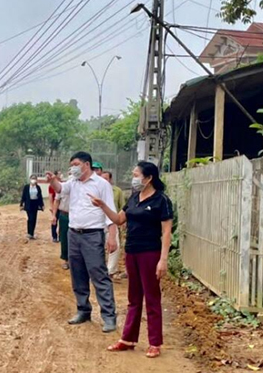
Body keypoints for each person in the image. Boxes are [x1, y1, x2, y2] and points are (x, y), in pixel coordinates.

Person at [89, 161, 173, 358]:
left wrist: (163, 259)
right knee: (133, 298)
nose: (134, 178)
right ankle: (128, 339)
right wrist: (103, 206)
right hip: (132, 252)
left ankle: (154, 342)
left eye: (136, 175)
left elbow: (167, 231)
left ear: (149, 178)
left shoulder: (161, 200)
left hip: (150, 253)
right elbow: (119, 220)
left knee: (152, 298)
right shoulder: (134, 198)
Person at [47, 151, 118, 333]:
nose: (73, 168)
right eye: (71, 165)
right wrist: (53, 180)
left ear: (87, 165)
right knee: (77, 274)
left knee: (98, 275)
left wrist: (111, 237)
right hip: (73, 234)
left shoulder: (101, 184)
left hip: (93, 235)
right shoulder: (73, 183)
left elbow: (110, 211)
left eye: (76, 164)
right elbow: (60, 189)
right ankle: (83, 310)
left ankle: (109, 316)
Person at [102, 171, 126, 280]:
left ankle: (110, 271)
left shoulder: (117, 191)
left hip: (113, 222)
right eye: (102, 178)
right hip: (99, 222)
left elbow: (122, 207)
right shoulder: (95, 189)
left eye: (106, 178)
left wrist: (123, 221)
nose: (104, 180)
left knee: (114, 247)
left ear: (110, 180)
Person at [52, 173, 70, 270]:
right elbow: (56, 201)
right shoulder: (62, 188)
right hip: (64, 215)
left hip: (76, 216)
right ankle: (66, 260)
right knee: (64, 237)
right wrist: (54, 215)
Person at [20, 174, 44, 240]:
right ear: (30, 179)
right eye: (32, 178)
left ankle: (32, 233)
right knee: (30, 218)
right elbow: (23, 196)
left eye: (34, 178)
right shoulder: (26, 187)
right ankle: (29, 233)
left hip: (35, 204)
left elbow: (40, 197)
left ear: (36, 180)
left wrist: (42, 205)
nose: (33, 180)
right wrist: (21, 204)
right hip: (28, 204)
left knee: (34, 219)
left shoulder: (38, 187)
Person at [48, 171, 62, 243]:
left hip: (62, 206)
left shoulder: (63, 184)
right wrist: (51, 206)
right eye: (59, 174)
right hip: (55, 206)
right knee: (54, 221)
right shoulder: (51, 186)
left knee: (62, 222)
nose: (61, 175)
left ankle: (61, 236)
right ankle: (54, 236)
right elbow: (50, 197)